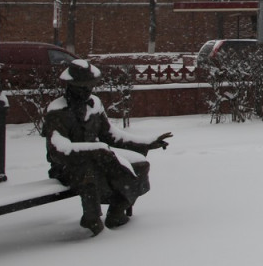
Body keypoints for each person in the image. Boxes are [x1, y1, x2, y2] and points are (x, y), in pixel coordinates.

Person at [42, 59, 173, 235]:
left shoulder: (94, 103)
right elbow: (58, 150)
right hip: (68, 167)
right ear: (70, 86)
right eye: (82, 87)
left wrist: (147, 143)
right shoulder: (56, 111)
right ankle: (92, 221)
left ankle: (117, 211)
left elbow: (111, 135)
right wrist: (94, 151)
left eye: (90, 86)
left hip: (100, 157)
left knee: (140, 165)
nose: (87, 90)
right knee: (90, 174)